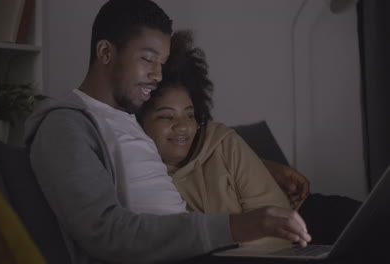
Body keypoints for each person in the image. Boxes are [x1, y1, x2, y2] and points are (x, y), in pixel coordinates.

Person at [24, 0, 310, 263]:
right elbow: (106, 233)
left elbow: (189, 156)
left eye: (161, 63)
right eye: (148, 60)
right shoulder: (65, 126)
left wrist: (265, 167)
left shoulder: (130, 120)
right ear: (105, 52)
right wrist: (239, 225)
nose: (158, 75)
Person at [137, 29, 360, 246]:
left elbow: (278, 228)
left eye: (189, 115)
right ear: (138, 121)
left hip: (303, 221)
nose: (183, 127)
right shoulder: (143, 178)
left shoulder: (222, 141)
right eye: (166, 117)